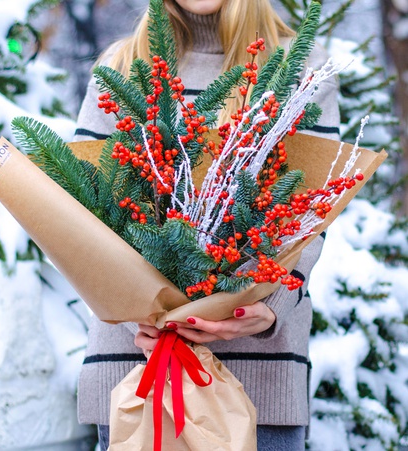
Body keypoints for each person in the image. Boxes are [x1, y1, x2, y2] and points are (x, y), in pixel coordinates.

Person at [74, 0, 340, 449]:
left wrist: (269, 303)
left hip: (259, 373)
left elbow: (311, 208)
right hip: (137, 375)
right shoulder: (121, 64)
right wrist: (137, 310)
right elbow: (81, 214)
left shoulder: (301, 68)